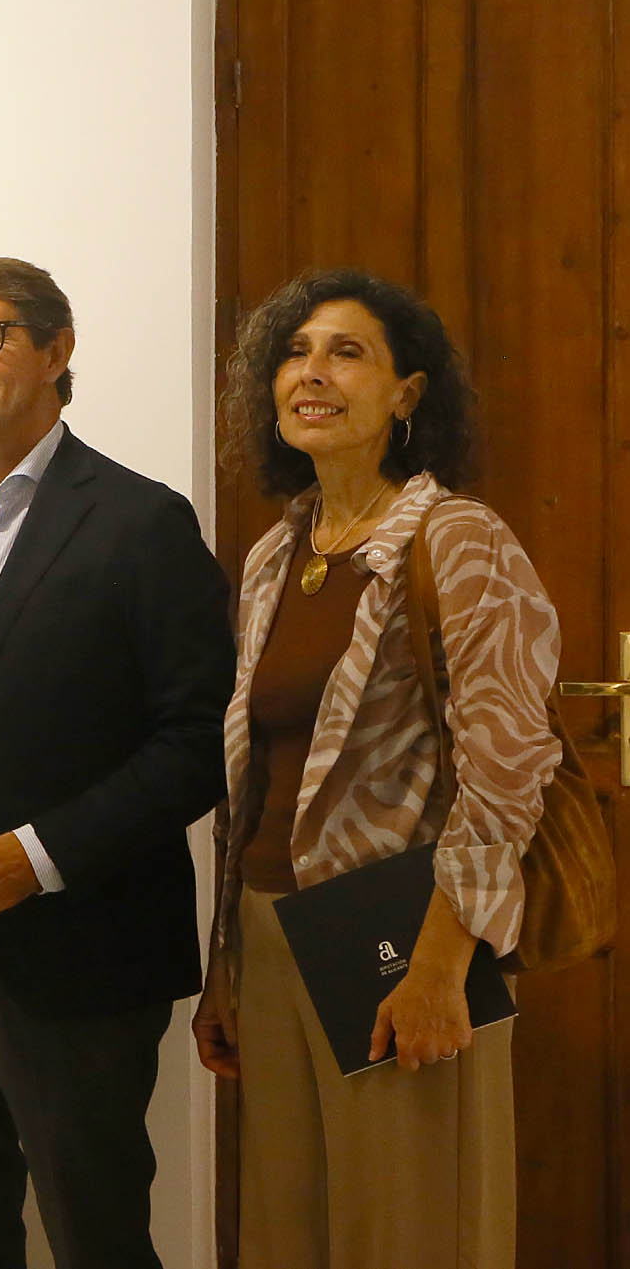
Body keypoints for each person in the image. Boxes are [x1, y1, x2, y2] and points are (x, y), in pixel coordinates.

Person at [0, 257, 233, 1269]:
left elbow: (197, 739)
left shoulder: (141, 522)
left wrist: (39, 853)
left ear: (57, 351)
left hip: (83, 952)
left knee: (96, 1238)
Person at [192, 268, 557, 1267]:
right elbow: (254, 778)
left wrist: (440, 964)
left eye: (345, 352)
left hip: (399, 933)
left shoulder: (456, 539)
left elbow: (507, 770)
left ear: (406, 394)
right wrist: (225, 965)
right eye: (294, 352)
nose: (311, 372)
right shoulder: (276, 556)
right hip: (271, 927)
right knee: (287, 1234)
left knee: (408, 1231)